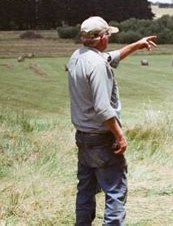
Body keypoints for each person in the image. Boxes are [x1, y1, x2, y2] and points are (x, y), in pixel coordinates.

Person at [67, 16, 157, 225]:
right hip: (101, 138)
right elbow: (103, 108)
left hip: (83, 137)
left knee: (85, 191)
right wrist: (120, 135)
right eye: (107, 34)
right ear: (100, 38)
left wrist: (137, 45)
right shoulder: (97, 65)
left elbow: (111, 57)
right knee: (115, 192)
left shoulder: (78, 56)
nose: (109, 37)